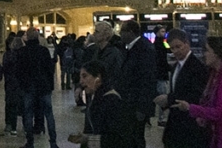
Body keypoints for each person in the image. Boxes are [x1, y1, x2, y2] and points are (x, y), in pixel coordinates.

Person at [154, 28, 210, 148]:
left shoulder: (197, 67)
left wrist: (169, 99)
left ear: (187, 44)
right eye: (172, 48)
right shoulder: (176, 67)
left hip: (191, 126)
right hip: (177, 125)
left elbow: (197, 95)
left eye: (178, 46)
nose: (176, 51)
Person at [68, 59, 129, 148]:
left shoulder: (112, 101)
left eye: (84, 76)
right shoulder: (94, 98)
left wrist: (88, 140)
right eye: (80, 77)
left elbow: (118, 139)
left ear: (98, 77)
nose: (81, 81)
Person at [116, 20, 157, 148]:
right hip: (129, 102)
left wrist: (142, 108)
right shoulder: (131, 48)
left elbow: (147, 79)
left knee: (136, 137)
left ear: (131, 32)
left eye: (122, 31)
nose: (120, 35)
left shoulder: (144, 49)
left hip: (137, 103)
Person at [18, 27, 55, 147]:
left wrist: (22, 85)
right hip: (44, 86)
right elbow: (50, 69)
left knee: (28, 114)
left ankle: (30, 141)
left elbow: (19, 71)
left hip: (28, 86)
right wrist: (51, 85)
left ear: (27, 37)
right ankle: (53, 142)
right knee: (49, 114)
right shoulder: (43, 50)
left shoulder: (22, 51)